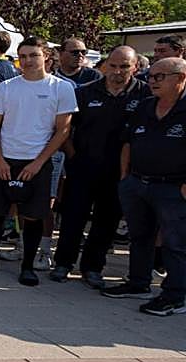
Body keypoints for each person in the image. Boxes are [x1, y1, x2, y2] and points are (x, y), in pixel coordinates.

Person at [0, 37, 77, 286]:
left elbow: (62, 131)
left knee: (33, 216)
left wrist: (39, 162)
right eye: (22, 56)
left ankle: (28, 266)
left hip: (37, 162)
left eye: (33, 55)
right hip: (4, 159)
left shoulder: (61, 88)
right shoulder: (7, 87)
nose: (27, 61)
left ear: (46, 56)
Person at [51, 46, 146, 288]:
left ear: (134, 67)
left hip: (119, 172)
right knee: (73, 217)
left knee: (106, 221)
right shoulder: (85, 92)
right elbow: (66, 129)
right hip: (83, 167)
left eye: (124, 66)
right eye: (113, 66)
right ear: (105, 65)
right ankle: (63, 263)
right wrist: (72, 157)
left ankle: (93, 267)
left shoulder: (144, 95)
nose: (117, 71)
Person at [103, 56, 186, 315]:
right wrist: (125, 177)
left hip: (173, 188)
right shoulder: (146, 106)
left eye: (160, 77)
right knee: (139, 237)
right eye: (150, 76)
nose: (152, 81)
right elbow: (128, 141)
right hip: (137, 183)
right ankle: (138, 283)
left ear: (181, 78)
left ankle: (175, 295)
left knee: (175, 243)